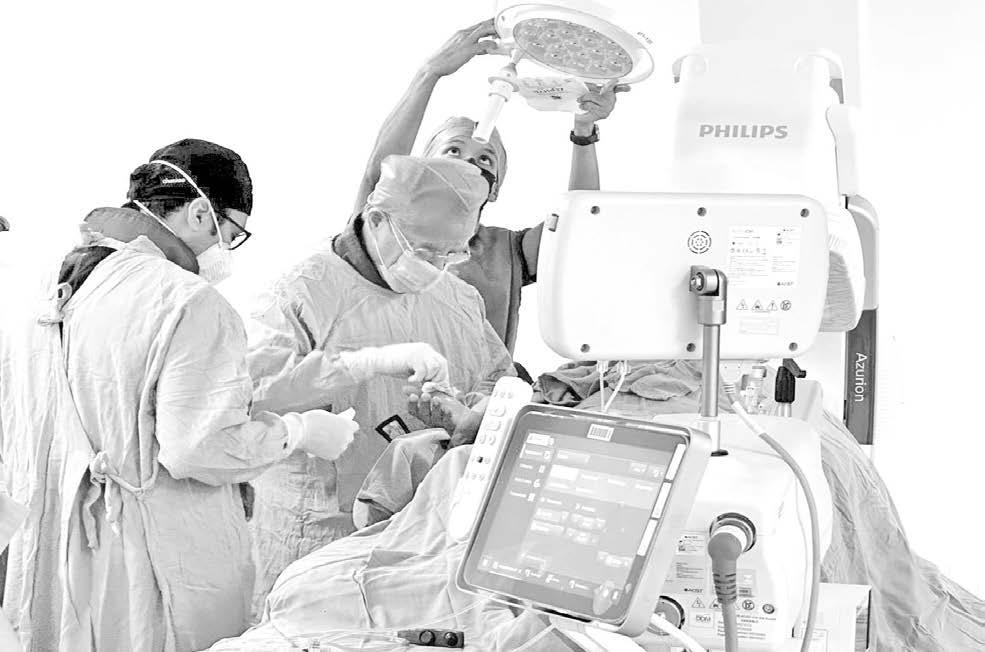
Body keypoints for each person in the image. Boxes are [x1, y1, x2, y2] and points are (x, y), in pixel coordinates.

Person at [0, 139, 364, 652]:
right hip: (143, 561)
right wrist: (299, 432)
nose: (227, 251)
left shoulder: (42, 280)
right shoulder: (188, 301)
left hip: (48, 544)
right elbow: (199, 448)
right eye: (231, 234)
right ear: (199, 213)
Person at [245, 155, 515, 616]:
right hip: (319, 533)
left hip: (422, 530)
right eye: (425, 252)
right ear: (376, 220)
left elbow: (497, 379)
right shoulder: (303, 293)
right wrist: (365, 365)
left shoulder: (457, 297)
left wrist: (470, 416)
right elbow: (252, 396)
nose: (437, 267)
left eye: (452, 253)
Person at [353, 18, 627, 364]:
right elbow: (378, 174)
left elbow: (579, 220)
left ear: (494, 188)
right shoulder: (385, 229)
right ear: (420, 167)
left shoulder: (505, 252)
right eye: (453, 150)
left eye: (485, 158)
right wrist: (429, 74)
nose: (469, 162)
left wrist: (583, 131)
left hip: (477, 395)